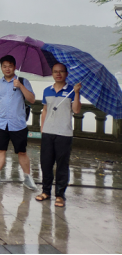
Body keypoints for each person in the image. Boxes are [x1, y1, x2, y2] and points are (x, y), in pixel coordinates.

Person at [0, 55, 38, 190]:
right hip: (0, 122)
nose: (7, 69)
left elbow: (32, 99)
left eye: (10, 66)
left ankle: (28, 178)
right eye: (4, 66)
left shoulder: (23, 81)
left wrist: (20, 86)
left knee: (22, 151)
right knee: (0, 150)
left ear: (14, 67)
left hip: (18, 123)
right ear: (1, 67)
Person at [35, 63, 81, 208]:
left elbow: (76, 110)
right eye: (55, 71)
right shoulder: (47, 90)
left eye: (61, 71)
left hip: (64, 133)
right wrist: (42, 128)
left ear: (66, 74)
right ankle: (46, 191)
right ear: (52, 73)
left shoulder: (71, 90)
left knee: (62, 164)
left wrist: (77, 93)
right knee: (46, 163)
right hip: (48, 132)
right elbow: (45, 109)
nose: (58, 74)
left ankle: (60, 195)